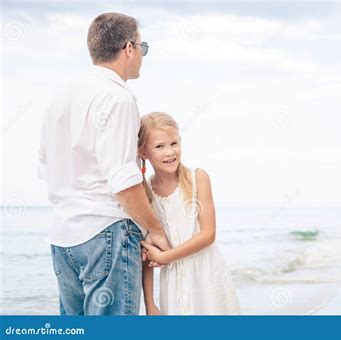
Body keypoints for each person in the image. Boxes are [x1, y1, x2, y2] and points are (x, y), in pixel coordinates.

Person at [37, 13, 170, 315]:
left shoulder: (59, 96)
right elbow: (123, 182)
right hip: (106, 231)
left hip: (63, 237)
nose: (141, 56)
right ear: (128, 48)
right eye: (142, 47)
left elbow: (46, 165)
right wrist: (156, 229)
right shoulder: (118, 98)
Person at [138, 112, 240, 315]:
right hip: (173, 283)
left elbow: (208, 234)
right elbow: (147, 253)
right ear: (143, 152)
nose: (169, 152)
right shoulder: (146, 191)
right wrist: (150, 303)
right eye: (159, 146)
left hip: (206, 275)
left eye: (174, 143)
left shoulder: (197, 178)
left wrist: (166, 257)